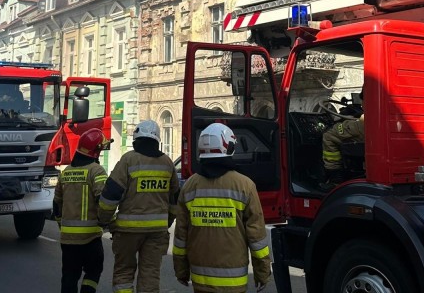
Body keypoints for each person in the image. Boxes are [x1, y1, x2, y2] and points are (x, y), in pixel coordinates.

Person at [173, 123, 272, 293]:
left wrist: (181, 271)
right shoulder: (245, 186)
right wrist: (262, 273)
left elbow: (181, 236)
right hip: (234, 282)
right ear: (230, 146)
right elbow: (257, 238)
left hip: (200, 279)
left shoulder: (189, 187)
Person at [98, 120, 179, 293]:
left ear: (136, 138)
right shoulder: (167, 163)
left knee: (124, 274)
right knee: (150, 275)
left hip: (127, 231)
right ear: (157, 139)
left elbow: (111, 194)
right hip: (156, 232)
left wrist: (105, 220)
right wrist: (167, 222)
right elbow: (174, 200)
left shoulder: (129, 160)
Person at [54, 128, 110, 293]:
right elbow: (104, 200)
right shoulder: (96, 170)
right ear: (95, 151)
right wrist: (109, 222)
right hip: (90, 238)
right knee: (93, 272)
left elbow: (56, 205)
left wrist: (62, 227)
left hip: (68, 240)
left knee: (69, 276)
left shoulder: (66, 172)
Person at [322, 94, 365, 185]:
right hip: (374, 120)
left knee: (329, 136)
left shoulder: (372, 84)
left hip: (369, 121)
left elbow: (366, 96)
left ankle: (335, 177)